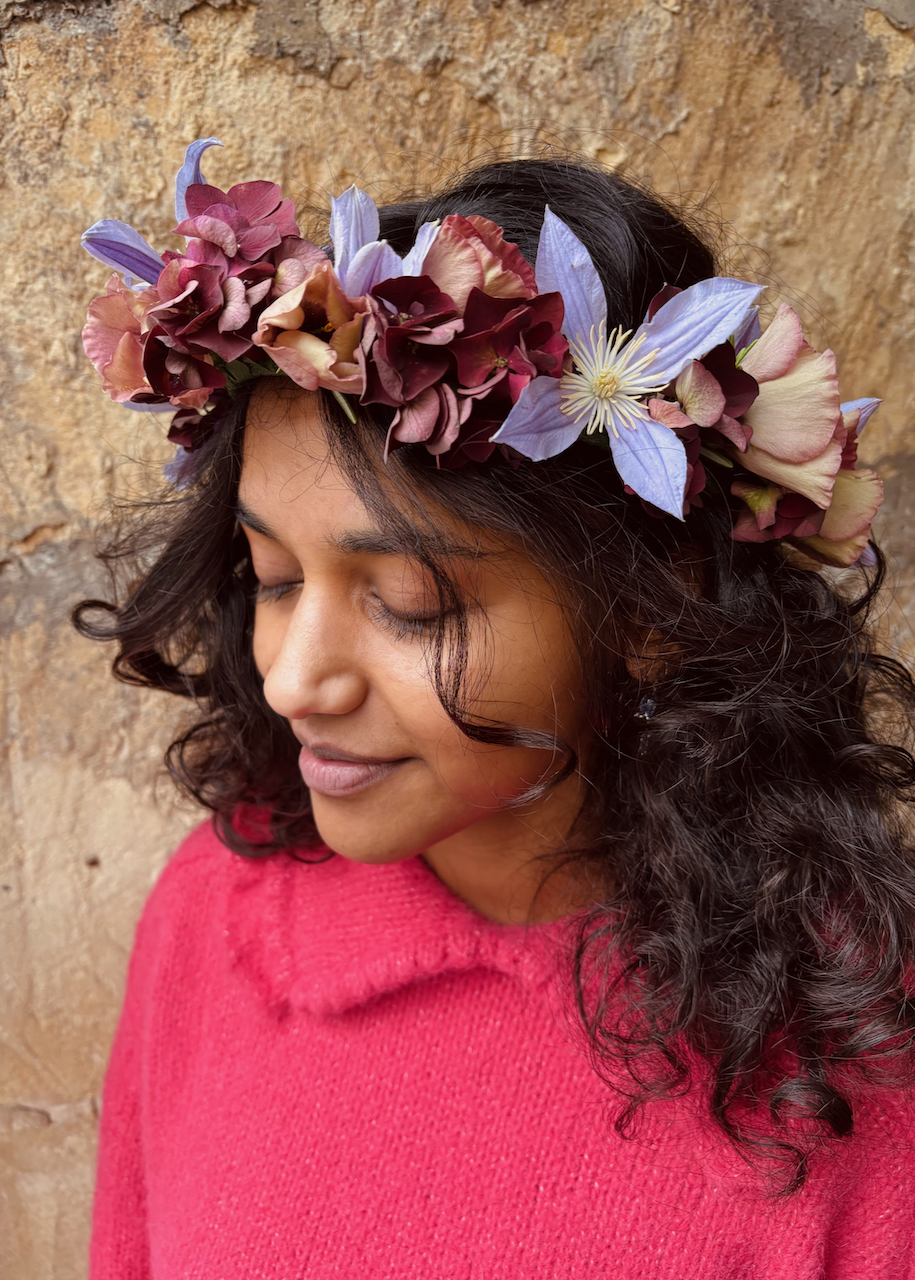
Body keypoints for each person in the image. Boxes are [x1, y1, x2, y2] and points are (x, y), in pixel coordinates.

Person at [75, 139, 915, 1278]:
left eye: (412, 604)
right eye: (271, 578)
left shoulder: (854, 1050)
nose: (291, 679)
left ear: (655, 609)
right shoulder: (214, 908)